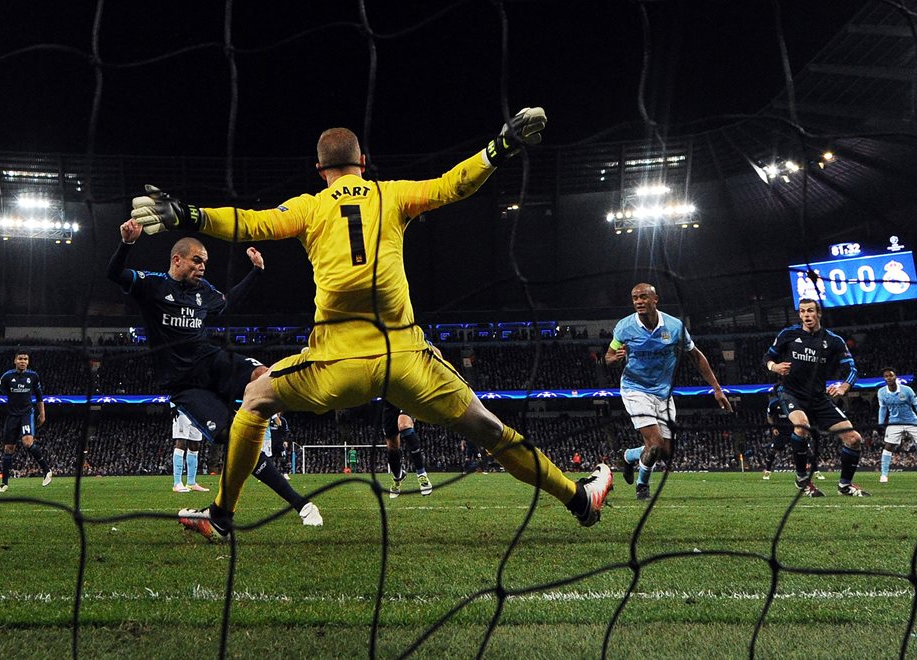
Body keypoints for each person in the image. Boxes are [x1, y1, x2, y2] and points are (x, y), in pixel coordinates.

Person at [130, 107, 614, 542]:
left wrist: (187, 214)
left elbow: (250, 223)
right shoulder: (391, 196)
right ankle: (578, 499)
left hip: (333, 363)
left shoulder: (311, 206)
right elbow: (453, 185)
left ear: (320, 170)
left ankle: (221, 515)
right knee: (490, 430)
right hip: (405, 360)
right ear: (365, 161)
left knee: (254, 403)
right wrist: (501, 144)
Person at [106, 233, 322, 526]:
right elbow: (114, 273)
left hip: (213, 362)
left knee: (262, 375)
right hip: (185, 384)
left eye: (205, 262)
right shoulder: (152, 284)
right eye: (197, 260)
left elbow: (228, 301)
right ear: (177, 259)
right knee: (236, 440)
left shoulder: (203, 290)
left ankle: (311, 373)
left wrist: (256, 272)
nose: (202, 267)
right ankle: (299, 504)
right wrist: (126, 244)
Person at [605, 283, 732, 500]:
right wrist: (613, 359)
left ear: (655, 299)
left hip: (663, 393)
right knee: (654, 444)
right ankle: (642, 486)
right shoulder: (624, 327)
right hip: (635, 389)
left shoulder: (674, 327)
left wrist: (717, 389)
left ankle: (627, 456)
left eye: (643, 297)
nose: (638, 302)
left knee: (666, 452)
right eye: (635, 298)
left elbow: (696, 356)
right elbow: (608, 356)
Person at [764, 298, 868, 497]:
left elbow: (852, 368)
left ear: (818, 313)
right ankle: (802, 479)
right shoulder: (788, 334)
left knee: (854, 439)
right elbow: (767, 357)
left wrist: (845, 386)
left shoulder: (833, 340)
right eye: (802, 311)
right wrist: (774, 366)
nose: (806, 315)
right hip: (790, 393)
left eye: (810, 311)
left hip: (819, 398)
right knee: (801, 425)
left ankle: (845, 486)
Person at [0, 349, 54, 493]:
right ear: (15, 360)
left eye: (25, 359)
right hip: (12, 416)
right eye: (20, 359)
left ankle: (47, 471)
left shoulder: (33, 376)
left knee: (27, 441)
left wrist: (42, 414)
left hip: (27, 414)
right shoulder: (7, 376)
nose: (23, 361)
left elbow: (39, 397)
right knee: (9, 449)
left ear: (28, 362)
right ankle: (4, 483)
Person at [382, 403, 433, 498]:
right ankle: (398, 478)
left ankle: (422, 475)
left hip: (407, 398)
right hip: (390, 404)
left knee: (404, 425)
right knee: (392, 447)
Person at [170, 406, 209, 492]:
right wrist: (173, 406)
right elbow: (173, 391)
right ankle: (177, 483)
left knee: (195, 444)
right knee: (181, 442)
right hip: (182, 410)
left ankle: (191, 483)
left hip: (196, 411)